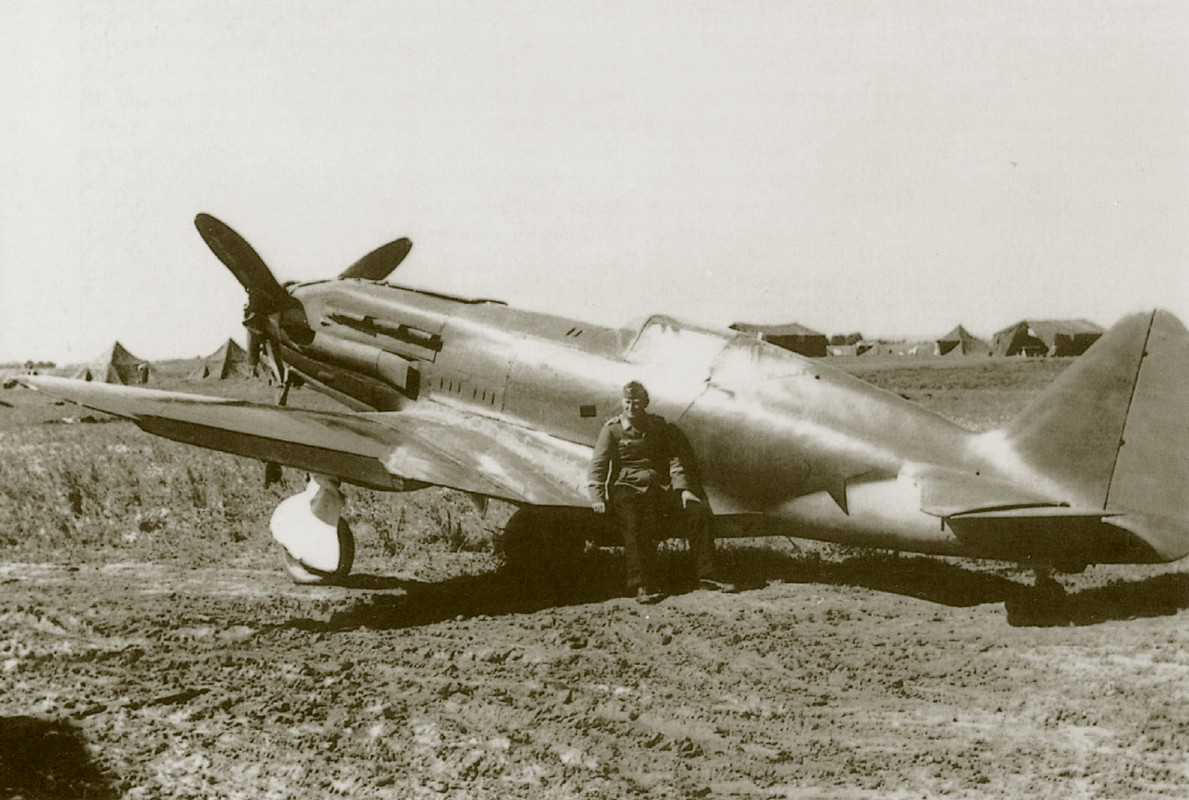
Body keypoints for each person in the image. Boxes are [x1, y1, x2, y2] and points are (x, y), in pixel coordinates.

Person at [588, 381, 737, 604]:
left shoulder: (657, 425)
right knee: (635, 524)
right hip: (626, 488)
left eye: (636, 403)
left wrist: (683, 490)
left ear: (645, 403)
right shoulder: (612, 429)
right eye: (627, 402)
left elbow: (674, 458)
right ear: (622, 402)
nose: (631, 407)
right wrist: (597, 496)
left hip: (658, 487)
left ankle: (708, 576)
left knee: (698, 513)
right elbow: (598, 465)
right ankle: (641, 585)